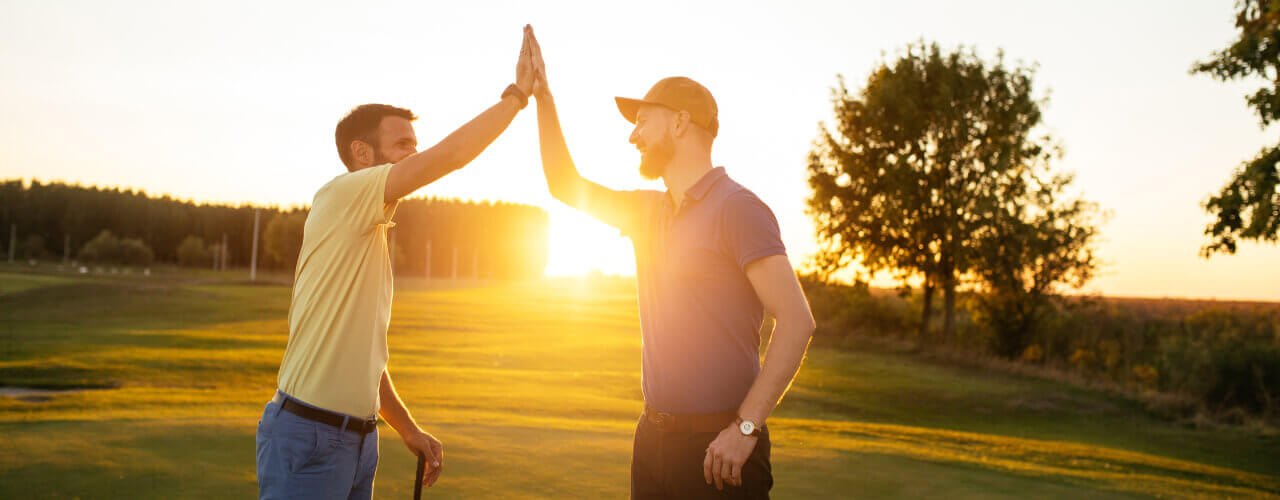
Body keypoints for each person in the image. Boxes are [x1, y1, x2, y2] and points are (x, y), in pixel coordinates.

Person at [525, 29, 817, 499]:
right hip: (653, 440)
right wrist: (543, 97)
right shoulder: (647, 211)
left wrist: (744, 431)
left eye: (643, 121)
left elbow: (797, 321)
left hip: (719, 448)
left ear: (681, 123)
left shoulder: (738, 208)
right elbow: (563, 182)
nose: (632, 135)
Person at [255, 26, 539, 500]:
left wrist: (405, 428)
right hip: (310, 435)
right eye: (403, 145)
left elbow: (366, 355)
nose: (414, 155)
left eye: (413, 143)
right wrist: (516, 97)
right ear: (361, 154)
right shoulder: (343, 193)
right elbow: (448, 157)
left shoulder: (371, 232)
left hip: (360, 440)